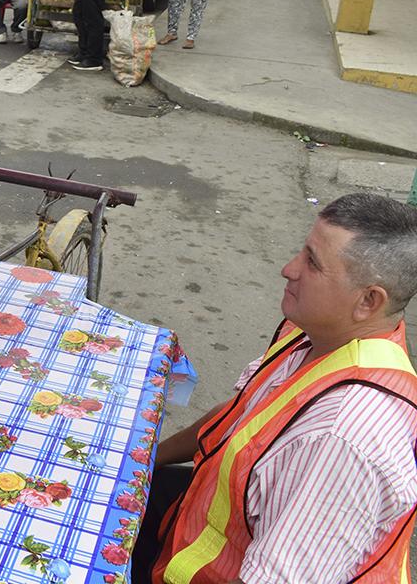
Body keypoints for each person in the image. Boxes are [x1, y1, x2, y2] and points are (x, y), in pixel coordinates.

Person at [132, 193, 417, 583]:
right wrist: (145, 460)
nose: (288, 269)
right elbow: (241, 413)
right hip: (200, 523)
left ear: (368, 301)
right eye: (302, 252)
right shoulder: (314, 334)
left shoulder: (341, 440)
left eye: (312, 263)